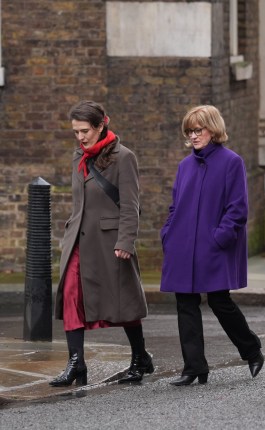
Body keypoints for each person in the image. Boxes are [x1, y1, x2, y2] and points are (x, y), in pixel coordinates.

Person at [51, 101, 153, 387]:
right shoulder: (78, 156)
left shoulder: (124, 157)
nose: (80, 137)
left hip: (111, 242)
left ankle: (140, 357)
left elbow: (131, 205)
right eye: (75, 132)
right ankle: (76, 363)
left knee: (123, 302)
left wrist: (126, 241)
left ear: (100, 126)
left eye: (85, 131)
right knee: (71, 296)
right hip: (79, 241)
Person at [160, 105, 264, 386]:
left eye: (198, 130)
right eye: (189, 131)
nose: (193, 136)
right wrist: (168, 233)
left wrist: (220, 237)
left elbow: (238, 208)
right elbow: (175, 206)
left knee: (220, 301)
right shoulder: (185, 166)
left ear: (213, 129)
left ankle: (251, 349)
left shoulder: (231, 162)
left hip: (214, 245)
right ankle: (194, 367)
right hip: (182, 244)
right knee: (185, 302)